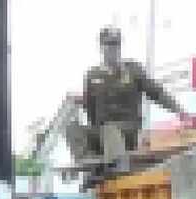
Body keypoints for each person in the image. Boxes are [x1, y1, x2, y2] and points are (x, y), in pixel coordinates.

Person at [78, 27, 185, 156]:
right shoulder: (92, 75)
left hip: (128, 129)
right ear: (101, 47)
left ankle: (116, 163)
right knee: (73, 130)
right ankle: (91, 162)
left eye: (116, 44)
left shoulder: (132, 69)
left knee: (110, 130)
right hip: (102, 131)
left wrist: (179, 110)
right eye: (109, 44)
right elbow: (90, 108)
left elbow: (157, 92)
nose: (113, 49)